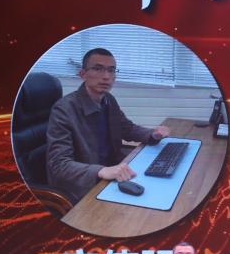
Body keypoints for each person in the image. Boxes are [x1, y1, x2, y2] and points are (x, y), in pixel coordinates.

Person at [46, 47, 170, 201]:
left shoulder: (108, 100)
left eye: (111, 70)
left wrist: (152, 134)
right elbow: (58, 165)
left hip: (112, 172)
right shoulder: (64, 109)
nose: (106, 76)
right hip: (83, 185)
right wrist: (101, 171)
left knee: (160, 189)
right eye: (98, 69)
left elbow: (126, 128)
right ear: (82, 74)